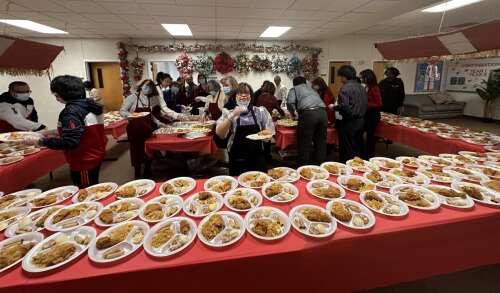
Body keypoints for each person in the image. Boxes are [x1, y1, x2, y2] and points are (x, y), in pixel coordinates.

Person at [22, 75, 106, 188]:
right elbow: (80, 129)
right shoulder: (88, 105)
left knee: (86, 191)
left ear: (61, 94)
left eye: (56, 94)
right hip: (94, 153)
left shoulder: (71, 112)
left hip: (83, 160)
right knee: (92, 186)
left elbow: (70, 142)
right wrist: (44, 133)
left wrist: (39, 141)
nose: (56, 97)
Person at [120, 79, 182, 178]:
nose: (148, 89)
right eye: (146, 86)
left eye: (150, 88)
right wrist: (132, 115)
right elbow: (122, 111)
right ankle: (137, 174)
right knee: (137, 153)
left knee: (148, 151)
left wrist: (159, 123)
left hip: (147, 129)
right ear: (141, 86)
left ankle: (147, 172)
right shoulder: (132, 98)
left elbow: (150, 115)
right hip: (135, 130)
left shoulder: (149, 99)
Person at [216, 82, 275, 175]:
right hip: (237, 159)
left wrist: (266, 136)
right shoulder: (229, 113)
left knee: (259, 182)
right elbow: (220, 134)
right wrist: (233, 115)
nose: (243, 96)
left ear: (251, 96)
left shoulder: (260, 111)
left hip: (257, 157)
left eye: (247, 93)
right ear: (235, 97)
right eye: (240, 93)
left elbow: (269, 132)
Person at [287, 76, 328, 165]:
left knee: (304, 143)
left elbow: (290, 102)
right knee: (320, 143)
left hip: (309, 115)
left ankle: (304, 167)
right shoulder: (311, 89)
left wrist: (293, 114)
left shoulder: (294, 89)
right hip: (323, 113)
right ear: (305, 82)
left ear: (294, 83)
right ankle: (321, 166)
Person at [331, 65, 368, 163]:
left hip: (349, 123)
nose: (340, 79)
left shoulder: (345, 88)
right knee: (357, 146)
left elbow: (345, 107)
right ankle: (357, 167)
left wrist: (334, 107)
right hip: (361, 121)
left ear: (344, 76)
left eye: (340, 77)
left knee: (346, 149)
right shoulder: (361, 87)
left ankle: (347, 169)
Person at [255, 82, 284, 163]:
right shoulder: (272, 97)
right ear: (272, 89)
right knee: (267, 139)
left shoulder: (260, 96)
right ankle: (267, 157)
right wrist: (284, 115)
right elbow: (279, 109)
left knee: (261, 139)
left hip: (257, 120)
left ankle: (261, 156)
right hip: (266, 120)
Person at [360, 69, 382, 159]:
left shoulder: (374, 88)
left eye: (362, 77)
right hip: (367, 114)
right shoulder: (367, 87)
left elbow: (379, 103)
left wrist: (365, 104)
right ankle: (364, 154)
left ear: (367, 77)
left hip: (372, 115)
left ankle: (369, 156)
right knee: (364, 135)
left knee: (370, 137)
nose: (361, 79)